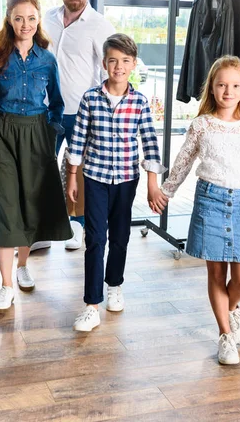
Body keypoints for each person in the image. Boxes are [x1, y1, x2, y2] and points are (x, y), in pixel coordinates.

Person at [160, 55, 240, 365]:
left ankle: (234, 308)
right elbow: (183, 163)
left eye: (235, 85)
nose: (228, 91)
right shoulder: (201, 125)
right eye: (222, 84)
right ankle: (225, 335)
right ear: (211, 88)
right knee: (216, 272)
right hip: (209, 202)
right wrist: (166, 192)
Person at [0, 0, 72, 314]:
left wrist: (50, 135)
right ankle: (5, 286)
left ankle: (23, 266)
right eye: (18, 18)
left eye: (31, 18)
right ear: (9, 19)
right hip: (3, 134)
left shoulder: (47, 58)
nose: (25, 24)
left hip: (37, 133)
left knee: (30, 205)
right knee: (6, 207)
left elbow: (57, 104)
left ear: (38, 19)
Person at [66, 33, 167, 332]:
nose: (118, 67)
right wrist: (72, 177)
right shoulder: (90, 98)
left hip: (126, 181)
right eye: (113, 60)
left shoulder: (139, 102)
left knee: (120, 238)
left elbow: (149, 142)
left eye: (125, 61)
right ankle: (91, 305)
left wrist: (152, 183)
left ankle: (115, 286)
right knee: (95, 238)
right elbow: (78, 140)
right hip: (94, 178)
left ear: (133, 64)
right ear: (104, 63)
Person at [43, 0, 116, 250]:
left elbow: (108, 70)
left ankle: (79, 225)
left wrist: (104, 108)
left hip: (82, 112)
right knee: (43, 169)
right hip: (48, 111)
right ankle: (45, 227)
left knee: (83, 172)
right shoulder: (46, 19)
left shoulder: (100, 25)